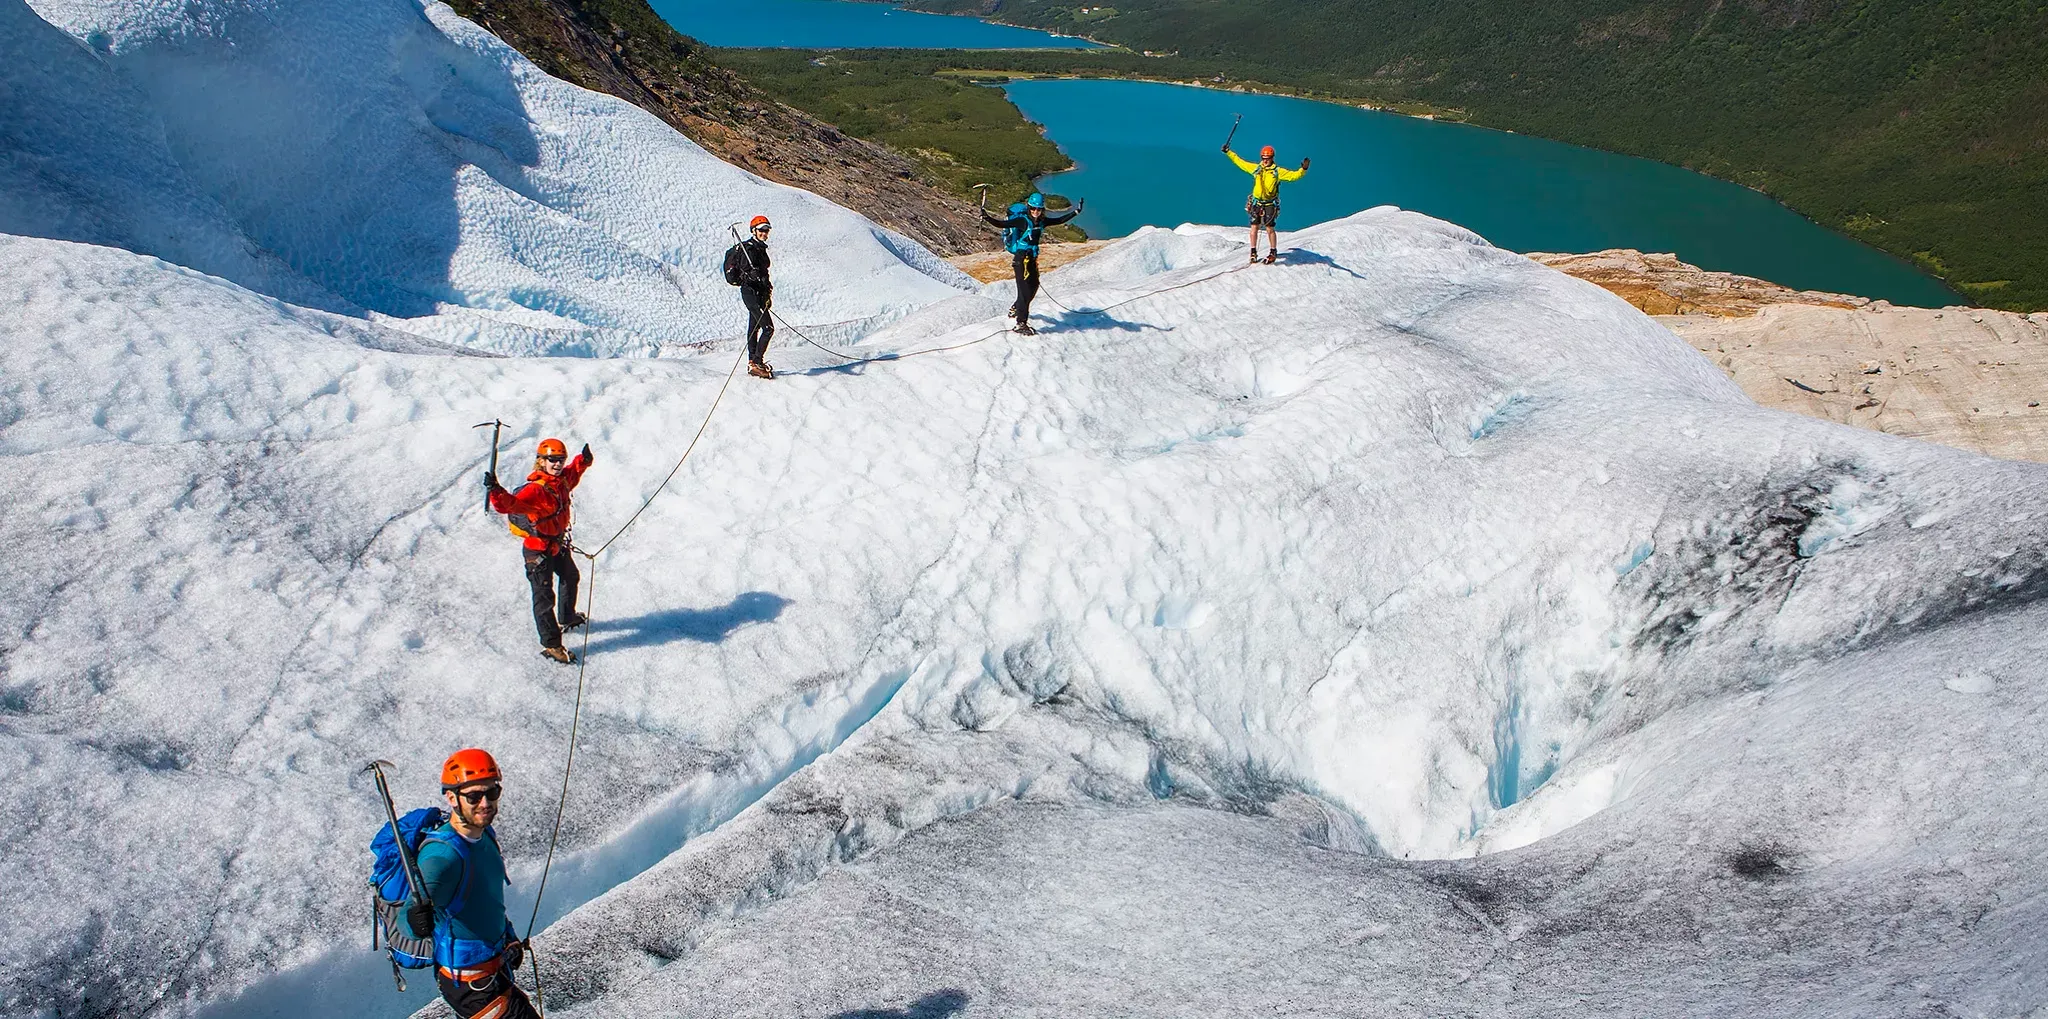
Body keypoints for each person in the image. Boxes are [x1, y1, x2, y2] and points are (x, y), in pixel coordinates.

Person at [404, 748, 538, 1019]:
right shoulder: (442, 857)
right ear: (452, 798)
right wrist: (415, 919)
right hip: (472, 985)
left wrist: (508, 940)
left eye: (492, 792)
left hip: (492, 969)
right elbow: (407, 921)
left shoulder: (483, 835)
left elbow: (486, 901)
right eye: (474, 796)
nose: (485, 802)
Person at [486, 438, 594, 664]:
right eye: (552, 460)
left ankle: (567, 617)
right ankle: (552, 645)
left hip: (557, 544)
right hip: (538, 552)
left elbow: (573, 473)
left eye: (560, 460)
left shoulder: (561, 481)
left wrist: (583, 460)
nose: (557, 464)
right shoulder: (536, 490)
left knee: (570, 576)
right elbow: (508, 505)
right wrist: (495, 490)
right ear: (541, 461)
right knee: (544, 600)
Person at [981, 192, 1082, 335]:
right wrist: (987, 217)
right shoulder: (1022, 221)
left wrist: (1076, 212)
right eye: (1033, 208)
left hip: (1032, 259)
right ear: (1029, 207)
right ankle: (1020, 323)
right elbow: (1002, 224)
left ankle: (1016, 307)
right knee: (1024, 292)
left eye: (1039, 209)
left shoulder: (1041, 221)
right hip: (1020, 260)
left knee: (1033, 286)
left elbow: (1059, 220)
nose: (1036, 212)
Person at [1223, 143, 1309, 264]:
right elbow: (1240, 162)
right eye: (1263, 158)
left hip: (1269, 204)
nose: (1265, 161)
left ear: (1272, 158)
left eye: (1267, 159)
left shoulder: (1277, 172)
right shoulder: (1257, 169)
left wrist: (1303, 170)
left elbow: (1293, 176)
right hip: (1257, 203)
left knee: (1269, 228)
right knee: (1254, 228)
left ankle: (1273, 251)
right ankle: (1253, 252)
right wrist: (1228, 152)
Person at [723, 215, 776, 379]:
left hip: (758, 293)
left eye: (766, 230)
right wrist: (753, 276)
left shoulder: (759, 249)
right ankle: (756, 362)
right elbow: (747, 273)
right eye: (761, 230)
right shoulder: (748, 250)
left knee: (754, 327)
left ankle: (752, 362)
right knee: (768, 328)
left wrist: (767, 292)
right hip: (750, 292)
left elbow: (763, 274)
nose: (764, 233)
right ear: (754, 231)